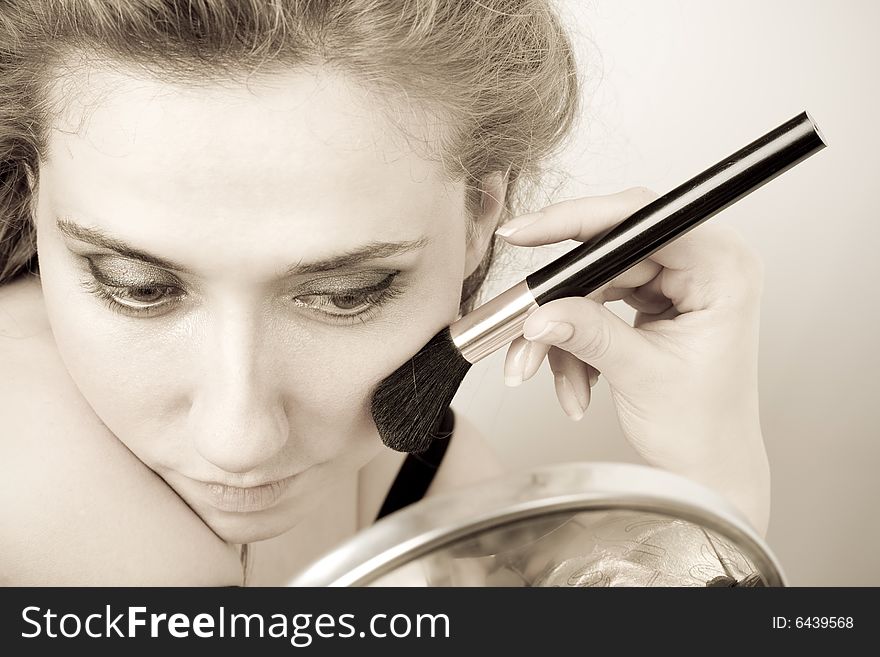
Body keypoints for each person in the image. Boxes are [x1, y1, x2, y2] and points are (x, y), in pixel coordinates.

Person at [0, 0, 769, 586]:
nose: (239, 439)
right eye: (136, 288)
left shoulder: (424, 474)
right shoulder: (28, 468)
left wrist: (710, 485)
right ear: (30, 195)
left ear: (481, 215)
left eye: (344, 295)